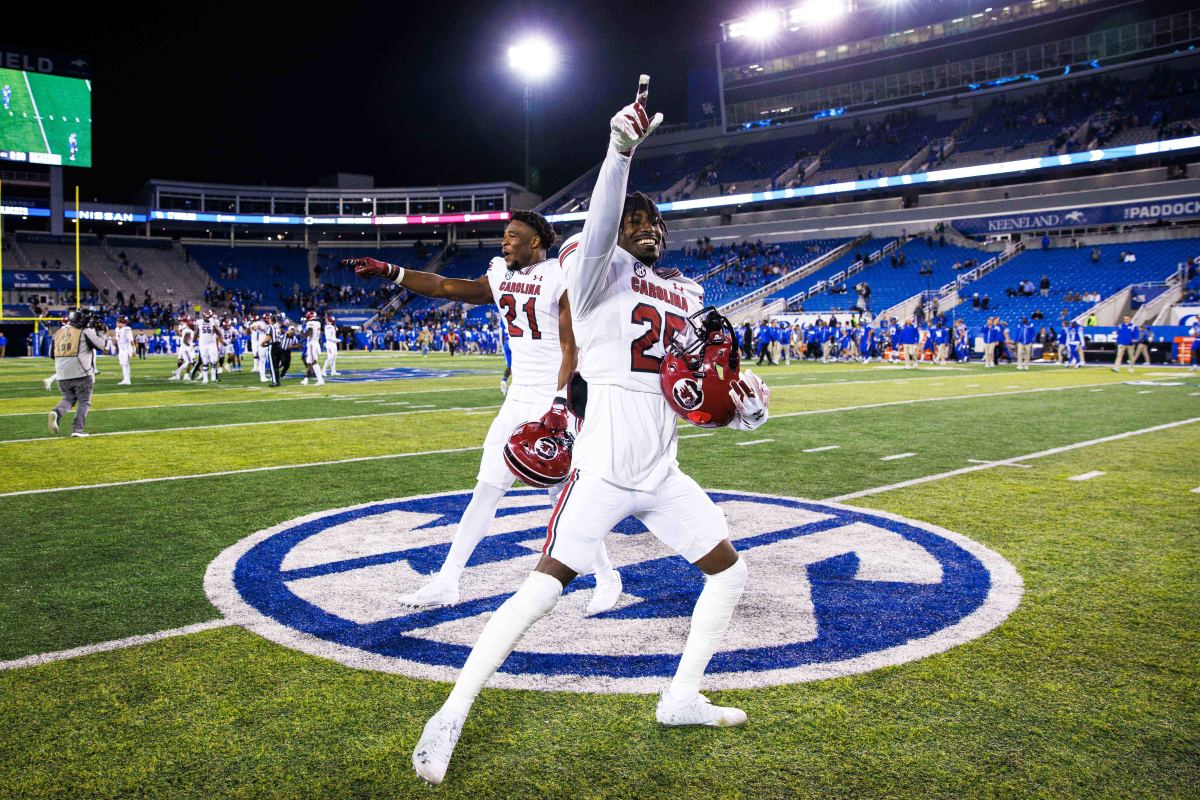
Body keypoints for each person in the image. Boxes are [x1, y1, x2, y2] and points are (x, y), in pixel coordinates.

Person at [410, 81, 770, 786]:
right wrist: (619, 153)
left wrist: (748, 405)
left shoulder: (689, 294)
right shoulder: (593, 265)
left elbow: (703, 384)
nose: (649, 226)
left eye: (657, 222)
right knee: (541, 591)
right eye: (638, 217)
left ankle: (681, 696)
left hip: (663, 471)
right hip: (602, 467)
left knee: (731, 572)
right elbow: (602, 224)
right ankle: (451, 711)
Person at [345, 209, 621, 611]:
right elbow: (444, 287)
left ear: (536, 242)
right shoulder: (501, 273)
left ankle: (607, 577)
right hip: (518, 395)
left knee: (561, 495)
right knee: (487, 488)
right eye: (504, 235)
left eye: (513, 235)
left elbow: (570, 346)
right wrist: (391, 270)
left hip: (552, 394)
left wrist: (561, 404)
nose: (504, 241)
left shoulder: (561, 274)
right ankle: (447, 579)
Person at [48, 309, 107, 437]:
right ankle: (77, 429)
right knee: (84, 401)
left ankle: (57, 412)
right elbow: (102, 346)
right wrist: (101, 332)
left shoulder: (58, 332)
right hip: (81, 373)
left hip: (62, 375)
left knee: (69, 398)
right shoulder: (85, 331)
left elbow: (51, 354)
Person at [300, 311, 325, 386]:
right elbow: (319, 335)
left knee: (313, 362)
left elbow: (309, 333)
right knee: (309, 362)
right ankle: (306, 379)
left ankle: (320, 380)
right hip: (315, 342)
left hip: (312, 344)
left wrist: (302, 334)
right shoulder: (318, 323)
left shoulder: (310, 323)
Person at [169, 317, 196, 381]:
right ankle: (179, 373)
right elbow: (184, 339)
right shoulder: (188, 330)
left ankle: (184, 374)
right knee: (189, 361)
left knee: (190, 361)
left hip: (185, 347)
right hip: (186, 347)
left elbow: (182, 336)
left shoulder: (185, 328)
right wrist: (190, 345)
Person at [113, 316, 134, 385]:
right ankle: (127, 379)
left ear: (123, 323)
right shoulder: (117, 329)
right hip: (120, 348)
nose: (117, 323)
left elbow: (131, 340)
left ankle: (126, 380)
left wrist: (133, 350)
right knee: (124, 364)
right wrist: (114, 339)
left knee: (124, 364)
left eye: (118, 322)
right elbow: (117, 338)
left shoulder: (127, 329)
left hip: (126, 348)